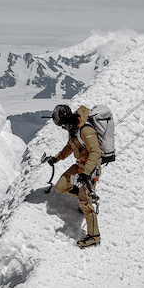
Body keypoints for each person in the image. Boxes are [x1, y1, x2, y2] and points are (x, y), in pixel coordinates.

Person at [47, 104, 101, 248]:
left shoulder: (85, 129)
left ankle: (94, 236)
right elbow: (70, 147)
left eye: (62, 124)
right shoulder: (73, 129)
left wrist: (86, 173)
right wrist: (56, 158)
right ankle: (85, 196)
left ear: (66, 120)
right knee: (60, 187)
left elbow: (95, 152)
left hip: (90, 169)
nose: (63, 127)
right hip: (79, 166)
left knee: (85, 204)